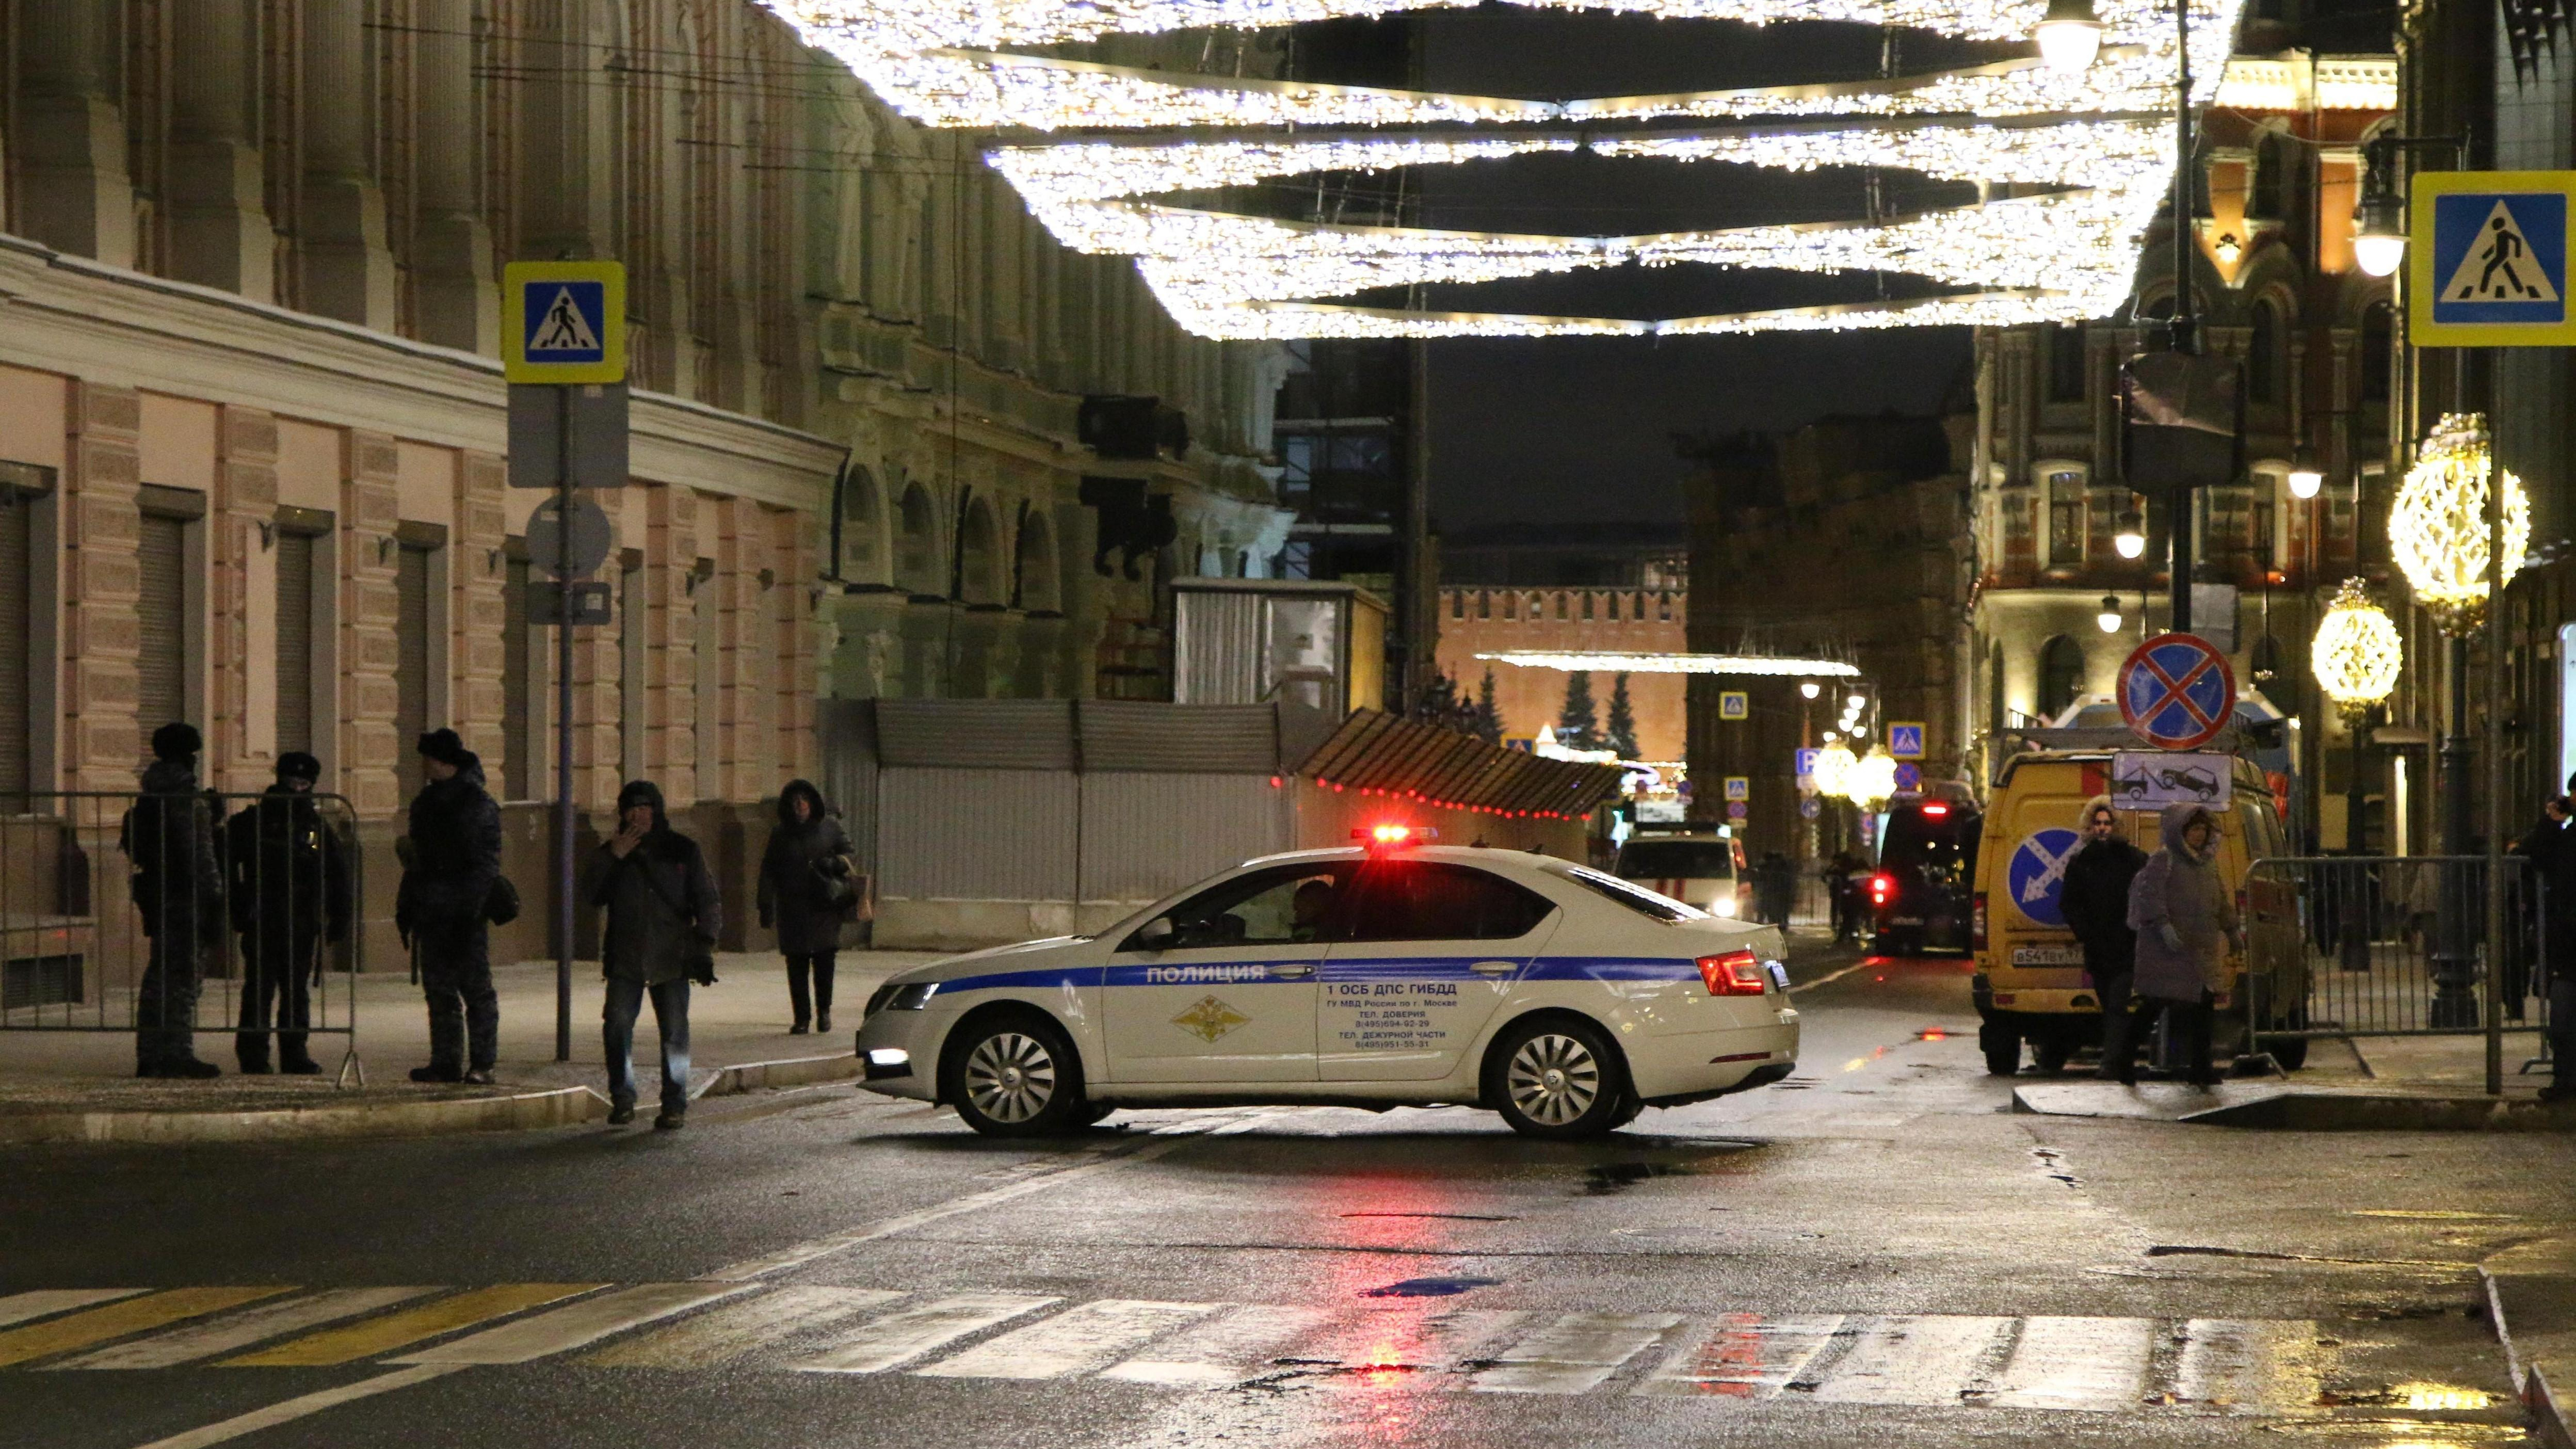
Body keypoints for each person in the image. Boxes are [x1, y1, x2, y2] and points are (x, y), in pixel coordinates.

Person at [593, 780, 722, 1128]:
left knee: (675, 1033)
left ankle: (674, 1102)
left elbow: (707, 899)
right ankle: (622, 1097)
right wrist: (612, 858)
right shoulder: (614, 852)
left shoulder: (682, 850)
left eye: (646, 808)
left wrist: (705, 942)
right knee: (617, 1026)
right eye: (632, 809)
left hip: (672, 955)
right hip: (626, 956)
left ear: (657, 811)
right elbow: (592, 893)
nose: (639, 816)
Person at [227, 752, 351, 1074]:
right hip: (263, 914)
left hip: (301, 917)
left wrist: (339, 916)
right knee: (259, 987)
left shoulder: (314, 826)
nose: (297, 788)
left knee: (295, 989)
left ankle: (294, 1053)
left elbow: (336, 872)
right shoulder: (255, 820)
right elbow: (229, 863)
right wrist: (238, 906)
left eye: (304, 783)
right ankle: (254, 1055)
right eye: (292, 781)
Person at [397, 729, 502, 1085]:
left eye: (428, 758)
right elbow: (418, 861)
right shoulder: (426, 803)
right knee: (439, 990)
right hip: (432, 909)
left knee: (475, 989)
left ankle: (483, 1064)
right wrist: (408, 905)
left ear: (443, 762)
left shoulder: (476, 803)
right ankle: (445, 1061)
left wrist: (469, 910)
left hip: (463, 912)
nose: (424, 765)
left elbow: (485, 865)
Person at [2118, 802, 2243, 1088]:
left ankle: (2200, 1069)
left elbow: (2221, 899)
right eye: (2193, 829)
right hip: (2167, 951)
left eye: (2202, 829)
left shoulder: (2207, 863)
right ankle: (2124, 1063)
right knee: (2154, 1003)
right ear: (2180, 831)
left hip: (2200, 949)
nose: (2199, 835)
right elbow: (2152, 895)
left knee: (2203, 1009)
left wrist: (2232, 930)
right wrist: (2163, 926)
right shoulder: (2164, 859)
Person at [125, 722, 224, 1078]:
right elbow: (198, 853)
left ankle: (150, 1053)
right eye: (192, 753)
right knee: (183, 978)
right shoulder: (183, 796)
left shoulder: (152, 790)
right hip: (185, 895)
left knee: (159, 977)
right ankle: (176, 1053)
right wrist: (214, 897)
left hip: (161, 892)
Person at [2059, 796, 2148, 1084]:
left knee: (2117, 1005)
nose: (2102, 829)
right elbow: (2069, 902)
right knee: (2109, 1004)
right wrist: (2084, 932)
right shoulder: (2081, 862)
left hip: (2125, 945)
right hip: (2098, 948)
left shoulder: (2132, 858)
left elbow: (2146, 894)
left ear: (2115, 825)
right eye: (2097, 823)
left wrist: (2137, 927)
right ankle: (2120, 1060)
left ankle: (2112, 1063)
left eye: (2107, 823)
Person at [756, 779, 856, 1035]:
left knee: (824, 961)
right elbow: (769, 870)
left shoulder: (830, 828)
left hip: (824, 906)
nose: (800, 806)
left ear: (813, 803)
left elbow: (850, 855)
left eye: (804, 800)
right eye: (795, 802)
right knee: (797, 964)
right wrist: (765, 904)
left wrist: (834, 864)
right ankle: (802, 1017)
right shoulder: (781, 834)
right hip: (792, 909)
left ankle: (824, 1011)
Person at [2514, 795, 2576, 1102]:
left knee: (2564, 1017)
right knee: (2562, 1023)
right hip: (2569, 947)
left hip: (2567, 945)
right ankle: (2566, 1082)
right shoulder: (2567, 839)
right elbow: (2531, 855)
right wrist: (2550, 824)